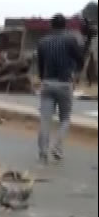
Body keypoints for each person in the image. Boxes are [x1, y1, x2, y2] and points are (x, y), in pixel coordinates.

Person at [36, 14, 85, 164]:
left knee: (45, 120)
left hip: (47, 83)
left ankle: (43, 152)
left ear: (51, 26)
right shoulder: (70, 40)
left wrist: (42, 79)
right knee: (65, 119)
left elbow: (40, 65)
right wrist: (76, 73)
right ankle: (57, 147)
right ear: (65, 26)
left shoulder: (42, 42)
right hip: (64, 84)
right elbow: (80, 60)